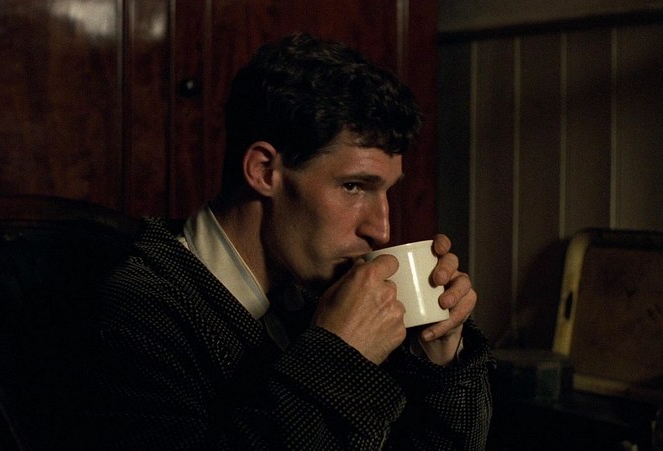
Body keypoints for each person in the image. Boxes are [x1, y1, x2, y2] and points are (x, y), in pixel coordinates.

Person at [83, 32, 493, 450]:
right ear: (264, 171)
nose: (381, 230)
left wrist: (438, 360)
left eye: (387, 191)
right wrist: (338, 359)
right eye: (354, 186)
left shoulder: (314, 289)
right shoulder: (137, 312)